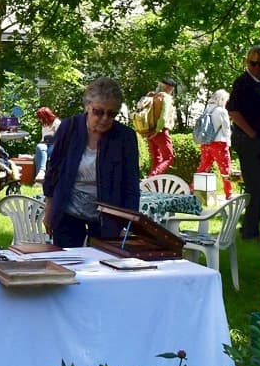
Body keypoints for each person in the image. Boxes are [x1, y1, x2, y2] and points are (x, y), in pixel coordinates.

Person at [43, 77, 140, 248]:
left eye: (111, 114)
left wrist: (127, 223)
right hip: (68, 211)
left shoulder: (125, 137)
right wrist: (49, 209)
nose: (104, 118)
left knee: (103, 265)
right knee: (68, 263)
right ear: (88, 106)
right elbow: (54, 171)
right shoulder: (69, 127)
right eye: (98, 111)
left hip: (108, 215)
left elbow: (130, 183)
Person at [227, 45, 260, 244]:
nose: (257, 67)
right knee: (257, 186)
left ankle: (249, 224)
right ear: (247, 62)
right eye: (253, 63)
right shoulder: (243, 82)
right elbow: (233, 111)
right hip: (248, 141)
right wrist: (251, 133)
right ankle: (250, 232)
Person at [194, 89, 233, 200]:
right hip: (220, 143)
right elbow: (226, 129)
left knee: (203, 167)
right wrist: (228, 144)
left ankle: (194, 190)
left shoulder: (207, 109)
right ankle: (228, 193)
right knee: (225, 169)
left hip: (206, 142)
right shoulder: (222, 111)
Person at [148, 78, 177, 176]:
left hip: (149, 130)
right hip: (160, 131)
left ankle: (152, 187)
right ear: (169, 88)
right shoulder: (166, 97)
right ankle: (151, 179)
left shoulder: (153, 96)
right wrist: (158, 130)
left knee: (156, 158)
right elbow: (163, 117)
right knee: (169, 157)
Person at [34, 107, 61, 182]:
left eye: (41, 118)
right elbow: (43, 139)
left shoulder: (57, 123)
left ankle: (41, 172)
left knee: (44, 152)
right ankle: (40, 174)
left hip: (55, 146)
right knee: (39, 147)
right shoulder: (44, 125)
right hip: (45, 145)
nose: (40, 120)